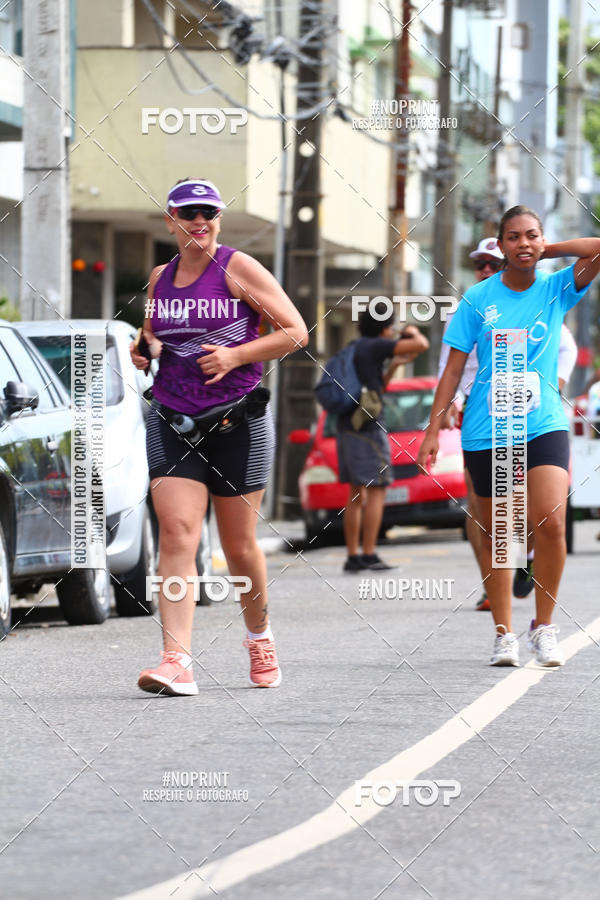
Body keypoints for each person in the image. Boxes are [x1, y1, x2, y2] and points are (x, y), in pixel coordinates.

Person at [131, 178, 308, 695]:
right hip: (172, 417)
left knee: (238, 545)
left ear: (219, 220)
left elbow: (296, 331)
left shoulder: (237, 268)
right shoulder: (159, 278)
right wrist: (145, 350)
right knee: (178, 533)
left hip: (237, 421)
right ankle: (176, 660)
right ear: (171, 221)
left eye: (209, 213)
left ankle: (259, 637)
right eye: (189, 213)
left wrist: (236, 355)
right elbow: (154, 333)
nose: (200, 222)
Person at [418, 205, 600, 667]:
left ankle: (545, 626)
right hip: (490, 429)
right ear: (498, 246)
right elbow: (453, 369)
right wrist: (433, 427)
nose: (523, 243)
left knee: (551, 521)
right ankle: (504, 634)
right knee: (504, 534)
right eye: (513, 237)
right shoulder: (477, 300)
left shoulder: (555, 288)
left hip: (543, 423)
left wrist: (547, 250)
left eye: (531, 236)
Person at [437, 237, 505, 611]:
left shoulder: (529, 300)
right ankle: (493, 586)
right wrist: (450, 403)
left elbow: (565, 348)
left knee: (517, 505)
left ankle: (519, 560)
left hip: (522, 413)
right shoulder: (465, 307)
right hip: (476, 414)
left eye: (493, 265)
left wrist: (556, 383)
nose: (484, 271)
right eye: (480, 264)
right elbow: (449, 365)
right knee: (478, 506)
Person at [338, 301, 429, 572]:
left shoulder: (356, 348)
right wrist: (411, 330)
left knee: (356, 491)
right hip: (367, 426)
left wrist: (393, 366)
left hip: (348, 423)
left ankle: (353, 556)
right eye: (392, 327)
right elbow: (421, 344)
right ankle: (369, 554)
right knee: (377, 489)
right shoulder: (376, 345)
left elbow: (378, 388)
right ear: (385, 328)